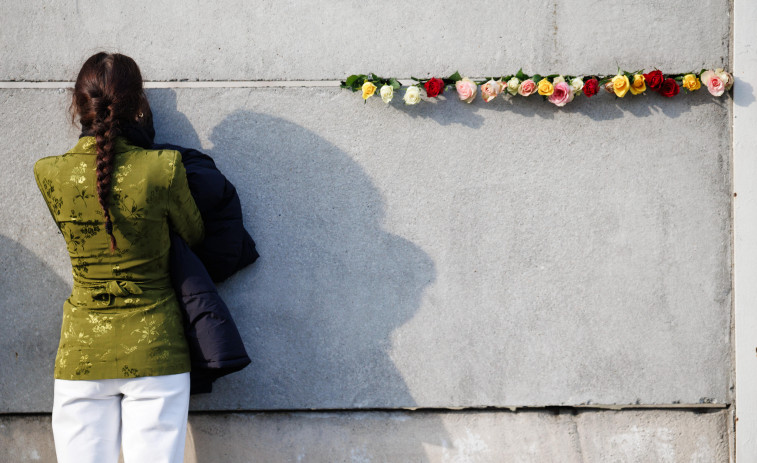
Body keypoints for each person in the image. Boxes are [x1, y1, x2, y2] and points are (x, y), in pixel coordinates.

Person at [33, 52, 204, 463]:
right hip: (156, 351)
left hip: (82, 355)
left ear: (77, 104)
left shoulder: (49, 172)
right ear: (138, 105)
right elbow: (194, 233)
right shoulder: (163, 167)